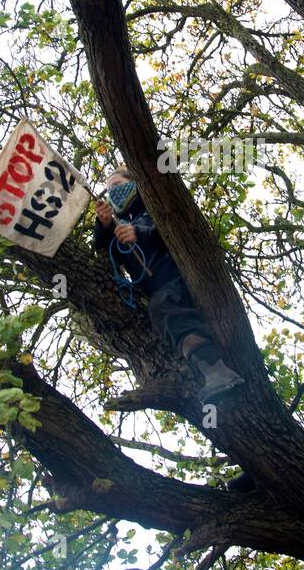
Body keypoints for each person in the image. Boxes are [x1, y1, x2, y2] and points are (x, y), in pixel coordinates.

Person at [92, 168, 245, 407]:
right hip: (155, 288)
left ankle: (217, 372)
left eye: (118, 184)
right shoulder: (120, 224)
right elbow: (102, 250)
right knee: (162, 309)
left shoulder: (154, 207)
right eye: (109, 189)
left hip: (178, 277)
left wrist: (139, 233)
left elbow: (175, 228)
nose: (113, 191)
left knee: (164, 306)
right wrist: (104, 224)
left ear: (134, 183)